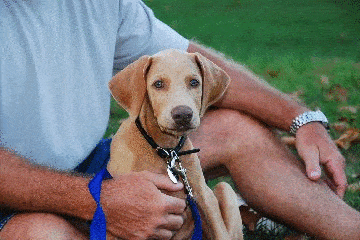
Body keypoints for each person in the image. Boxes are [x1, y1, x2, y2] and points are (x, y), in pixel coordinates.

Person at [0, 0, 359, 239]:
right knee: (40, 232)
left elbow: (185, 59)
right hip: (9, 198)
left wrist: (301, 118)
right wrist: (99, 201)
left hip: (89, 165)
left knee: (235, 129)